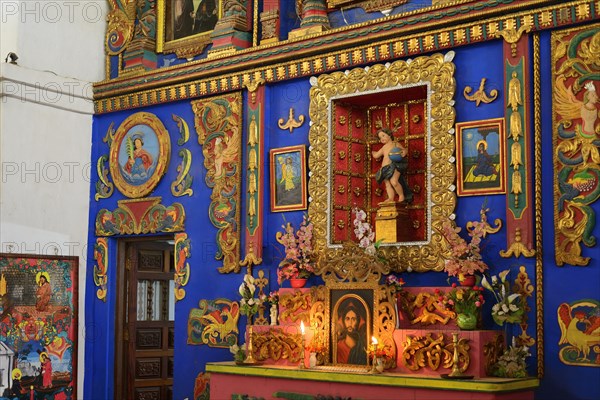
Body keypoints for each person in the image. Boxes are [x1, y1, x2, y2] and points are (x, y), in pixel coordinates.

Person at [372, 128, 413, 204]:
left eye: (383, 135)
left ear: (389, 135)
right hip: (384, 168)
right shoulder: (384, 147)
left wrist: (404, 152)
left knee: (394, 182)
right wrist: (373, 153)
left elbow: (404, 150)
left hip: (394, 166)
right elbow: (377, 155)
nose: (382, 138)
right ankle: (390, 198)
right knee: (388, 184)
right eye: (380, 138)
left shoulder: (395, 144)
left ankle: (401, 196)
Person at [336, 300, 367, 365]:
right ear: (343, 322)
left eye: (353, 319)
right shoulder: (338, 347)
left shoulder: (362, 347)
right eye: (347, 319)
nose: (350, 323)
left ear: (358, 322)